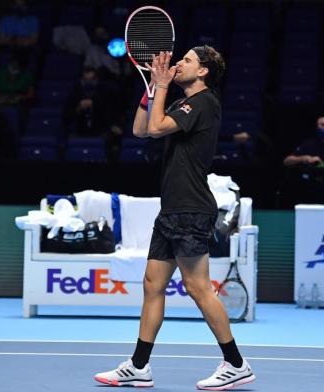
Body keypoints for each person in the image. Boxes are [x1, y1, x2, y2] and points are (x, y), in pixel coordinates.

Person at [94, 46, 256, 390]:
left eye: (187, 60)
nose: (178, 63)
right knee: (153, 285)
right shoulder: (182, 104)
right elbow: (140, 129)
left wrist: (162, 85)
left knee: (199, 288)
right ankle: (139, 366)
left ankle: (236, 364)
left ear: (203, 73)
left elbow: (155, 129)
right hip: (172, 209)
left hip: (190, 208)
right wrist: (152, 89)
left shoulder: (203, 102)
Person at [282, 115, 324, 206]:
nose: (319, 127)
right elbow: (287, 161)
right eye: (318, 125)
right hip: (310, 193)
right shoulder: (309, 144)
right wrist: (304, 158)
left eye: (323, 125)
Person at [63, 66, 123, 160]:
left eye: (91, 79)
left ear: (96, 79)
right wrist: (79, 108)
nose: (89, 83)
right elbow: (66, 118)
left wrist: (96, 105)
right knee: (68, 141)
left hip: (99, 130)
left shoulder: (104, 93)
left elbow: (110, 113)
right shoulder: (75, 94)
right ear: (82, 80)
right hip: (79, 131)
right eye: (86, 80)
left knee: (111, 142)